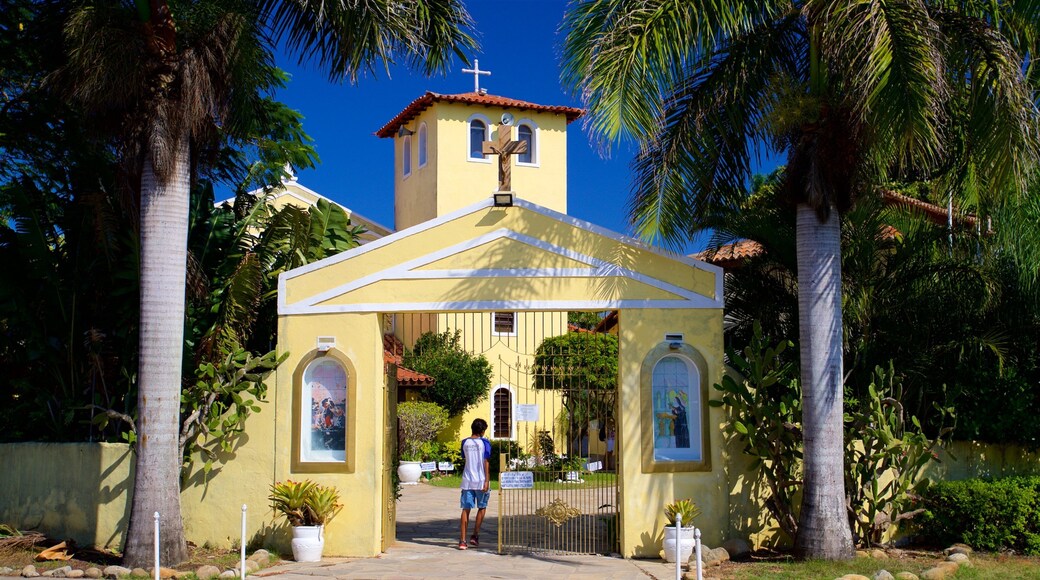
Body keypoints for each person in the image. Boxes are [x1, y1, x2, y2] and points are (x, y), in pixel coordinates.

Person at [458, 418, 491, 550]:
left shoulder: (465, 442)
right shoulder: (485, 443)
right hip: (481, 480)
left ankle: (462, 540)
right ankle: (475, 535)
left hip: (467, 480)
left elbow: (465, 457)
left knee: (465, 509)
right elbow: (486, 462)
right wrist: (487, 480)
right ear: (482, 431)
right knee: (482, 507)